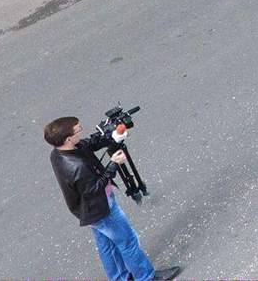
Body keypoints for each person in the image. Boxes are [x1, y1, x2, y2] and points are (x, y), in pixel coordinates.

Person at [45, 116, 182, 281]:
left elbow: (87, 144)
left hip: (89, 211)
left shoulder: (59, 152)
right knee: (128, 241)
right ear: (68, 139)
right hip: (102, 208)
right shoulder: (77, 167)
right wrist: (114, 163)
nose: (81, 131)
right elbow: (95, 188)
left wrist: (111, 137)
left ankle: (119, 278)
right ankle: (146, 277)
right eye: (78, 130)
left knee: (107, 247)